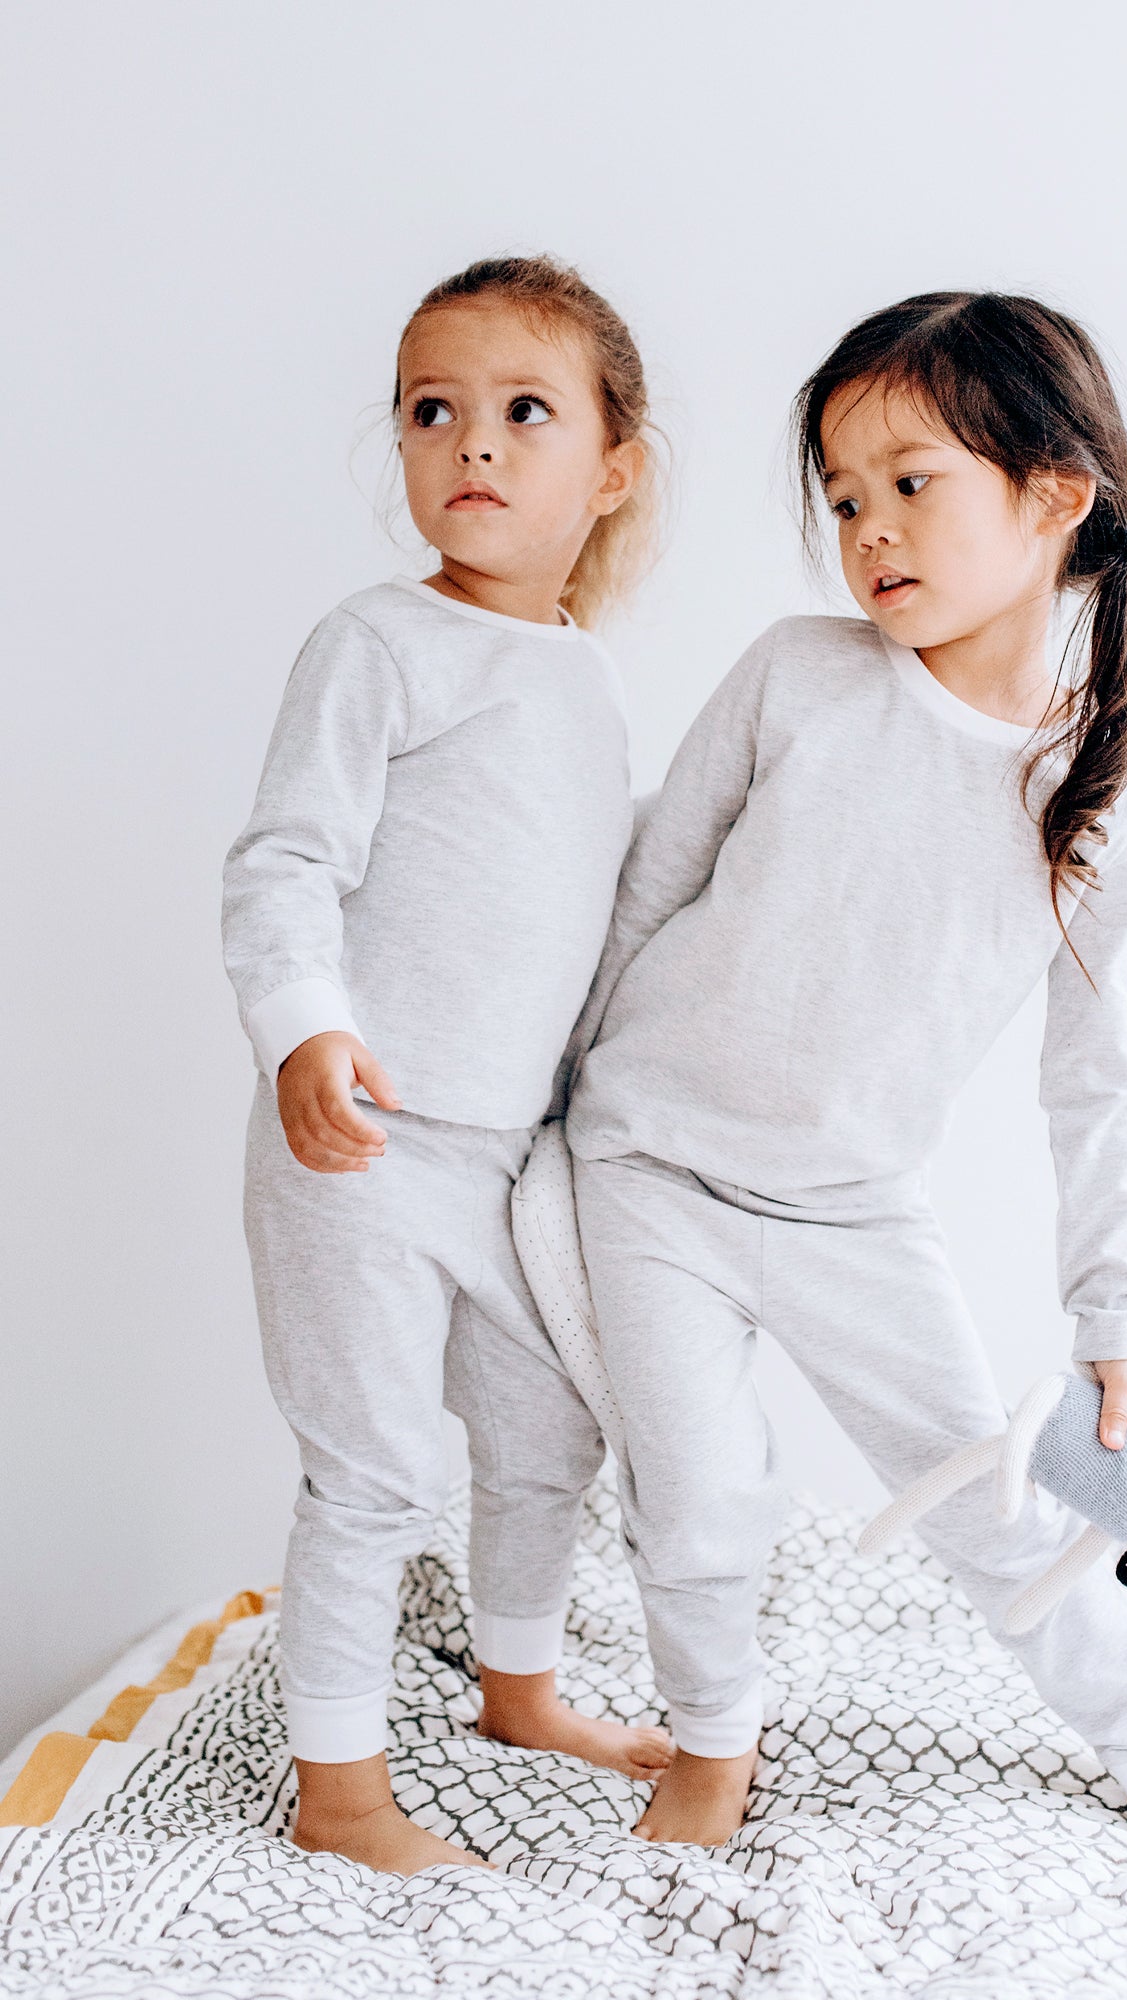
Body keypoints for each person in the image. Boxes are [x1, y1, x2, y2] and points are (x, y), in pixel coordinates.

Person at [563, 291, 1127, 1880]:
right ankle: (715, 1739)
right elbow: (645, 888)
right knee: (695, 1492)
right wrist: (548, 1110)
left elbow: (1104, 1079)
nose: (868, 530)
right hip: (645, 1170)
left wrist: (1120, 1319)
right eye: (841, 500)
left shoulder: (1096, 798)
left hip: (850, 1213)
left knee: (995, 1501)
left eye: (910, 483)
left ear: (1055, 494)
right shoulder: (797, 676)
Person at [222, 255, 672, 1876]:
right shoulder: (380, 642)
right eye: (433, 410)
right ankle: (339, 1793)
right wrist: (305, 1027)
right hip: (360, 1137)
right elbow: (286, 860)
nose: (471, 441)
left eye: (524, 411)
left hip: (510, 1157)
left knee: (548, 1435)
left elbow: (582, 915)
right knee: (372, 1468)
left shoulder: (586, 678)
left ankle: (520, 1688)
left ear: (611, 470)